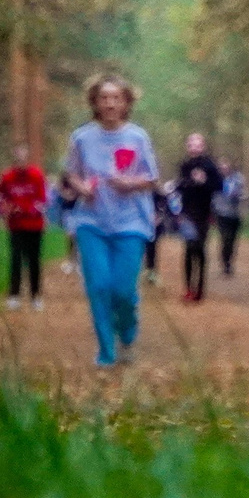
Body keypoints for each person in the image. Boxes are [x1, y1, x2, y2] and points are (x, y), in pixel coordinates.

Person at [61, 73, 160, 367]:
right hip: (91, 222)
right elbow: (71, 174)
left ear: (126, 102)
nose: (110, 104)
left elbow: (152, 179)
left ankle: (127, 326)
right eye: (104, 98)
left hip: (131, 223)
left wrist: (131, 183)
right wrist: (82, 188)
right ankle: (106, 351)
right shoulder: (81, 137)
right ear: (94, 102)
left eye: (116, 98)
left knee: (122, 289)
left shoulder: (137, 137)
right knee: (99, 286)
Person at [0, 139, 48, 310]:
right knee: (16, 258)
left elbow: (42, 200)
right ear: (14, 157)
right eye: (18, 156)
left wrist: (26, 209)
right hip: (16, 225)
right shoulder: (7, 177)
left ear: (27, 157)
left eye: (23, 156)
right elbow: (1, 198)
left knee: (34, 260)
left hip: (34, 225)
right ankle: (14, 295)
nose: (21, 159)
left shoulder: (36, 175)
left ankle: (35, 295)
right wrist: (6, 209)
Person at [173, 132, 219, 302]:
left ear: (203, 146)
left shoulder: (210, 165)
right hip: (187, 214)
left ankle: (199, 290)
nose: (194, 147)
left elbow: (218, 186)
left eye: (198, 144)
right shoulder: (185, 165)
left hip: (205, 213)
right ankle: (188, 289)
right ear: (187, 147)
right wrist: (186, 184)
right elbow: (180, 185)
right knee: (189, 248)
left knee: (199, 249)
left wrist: (204, 182)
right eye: (191, 144)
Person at [213, 160, 245, 277]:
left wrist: (239, 195)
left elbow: (241, 193)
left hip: (235, 214)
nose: (224, 170)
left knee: (232, 240)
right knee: (225, 238)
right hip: (221, 214)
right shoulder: (216, 181)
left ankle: (229, 261)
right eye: (222, 168)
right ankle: (225, 264)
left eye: (226, 167)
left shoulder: (238, 179)